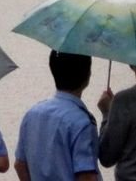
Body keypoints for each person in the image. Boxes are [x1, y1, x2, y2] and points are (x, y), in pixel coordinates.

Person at [14, 51, 100, 181]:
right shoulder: (82, 122)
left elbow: (20, 165)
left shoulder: (32, 114)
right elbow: (86, 175)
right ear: (88, 75)